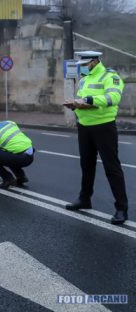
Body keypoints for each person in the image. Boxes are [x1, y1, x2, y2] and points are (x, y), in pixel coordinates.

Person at [63, 50, 128, 225]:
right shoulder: (84, 79)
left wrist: (90, 100)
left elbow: (113, 98)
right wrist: (75, 105)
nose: (82, 69)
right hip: (84, 127)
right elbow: (83, 101)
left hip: (104, 127)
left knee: (111, 168)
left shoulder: (110, 76)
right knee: (86, 165)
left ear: (94, 61)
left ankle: (121, 208)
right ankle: (84, 199)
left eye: (84, 65)